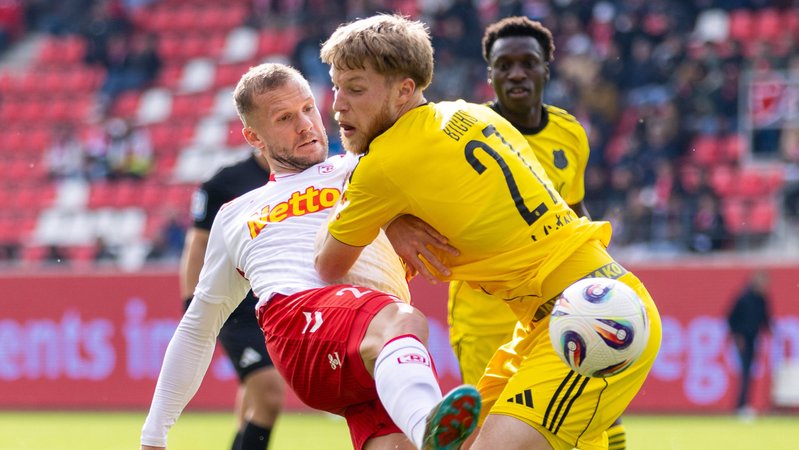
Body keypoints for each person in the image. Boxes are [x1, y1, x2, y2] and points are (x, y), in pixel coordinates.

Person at [315, 14, 662, 450]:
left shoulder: (382, 166)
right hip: (569, 306)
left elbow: (329, 265)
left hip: (589, 316)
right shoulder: (472, 113)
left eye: (356, 89)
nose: (338, 105)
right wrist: (389, 215)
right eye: (336, 87)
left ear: (405, 89)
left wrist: (382, 213)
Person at [140, 62, 480, 450]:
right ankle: (428, 430)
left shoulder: (362, 166)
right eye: (285, 118)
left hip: (367, 353)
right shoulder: (236, 214)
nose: (305, 124)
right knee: (404, 321)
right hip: (300, 323)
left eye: (307, 109)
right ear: (254, 137)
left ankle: (421, 432)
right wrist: (154, 434)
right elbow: (197, 327)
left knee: (394, 441)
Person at [444, 16, 627, 450]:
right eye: (504, 65)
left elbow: (576, 214)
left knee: (590, 427)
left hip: (556, 313)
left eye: (528, 62)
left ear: (548, 67)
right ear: (489, 73)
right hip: (485, 315)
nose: (517, 73)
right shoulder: (461, 135)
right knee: (494, 436)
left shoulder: (570, 134)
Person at [179, 149, 283, 450]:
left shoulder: (301, 178)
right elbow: (197, 242)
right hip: (236, 309)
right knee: (269, 393)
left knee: (254, 397)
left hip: (278, 303)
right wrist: (192, 304)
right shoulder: (224, 183)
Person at [726, 270, 772, 419]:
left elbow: (765, 318)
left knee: (750, 373)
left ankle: (746, 404)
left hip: (754, 339)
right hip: (742, 341)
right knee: (745, 373)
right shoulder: (744, 298)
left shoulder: (762, 299)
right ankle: (741, 406)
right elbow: (731, 318)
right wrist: (737, 336)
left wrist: (770, 330)